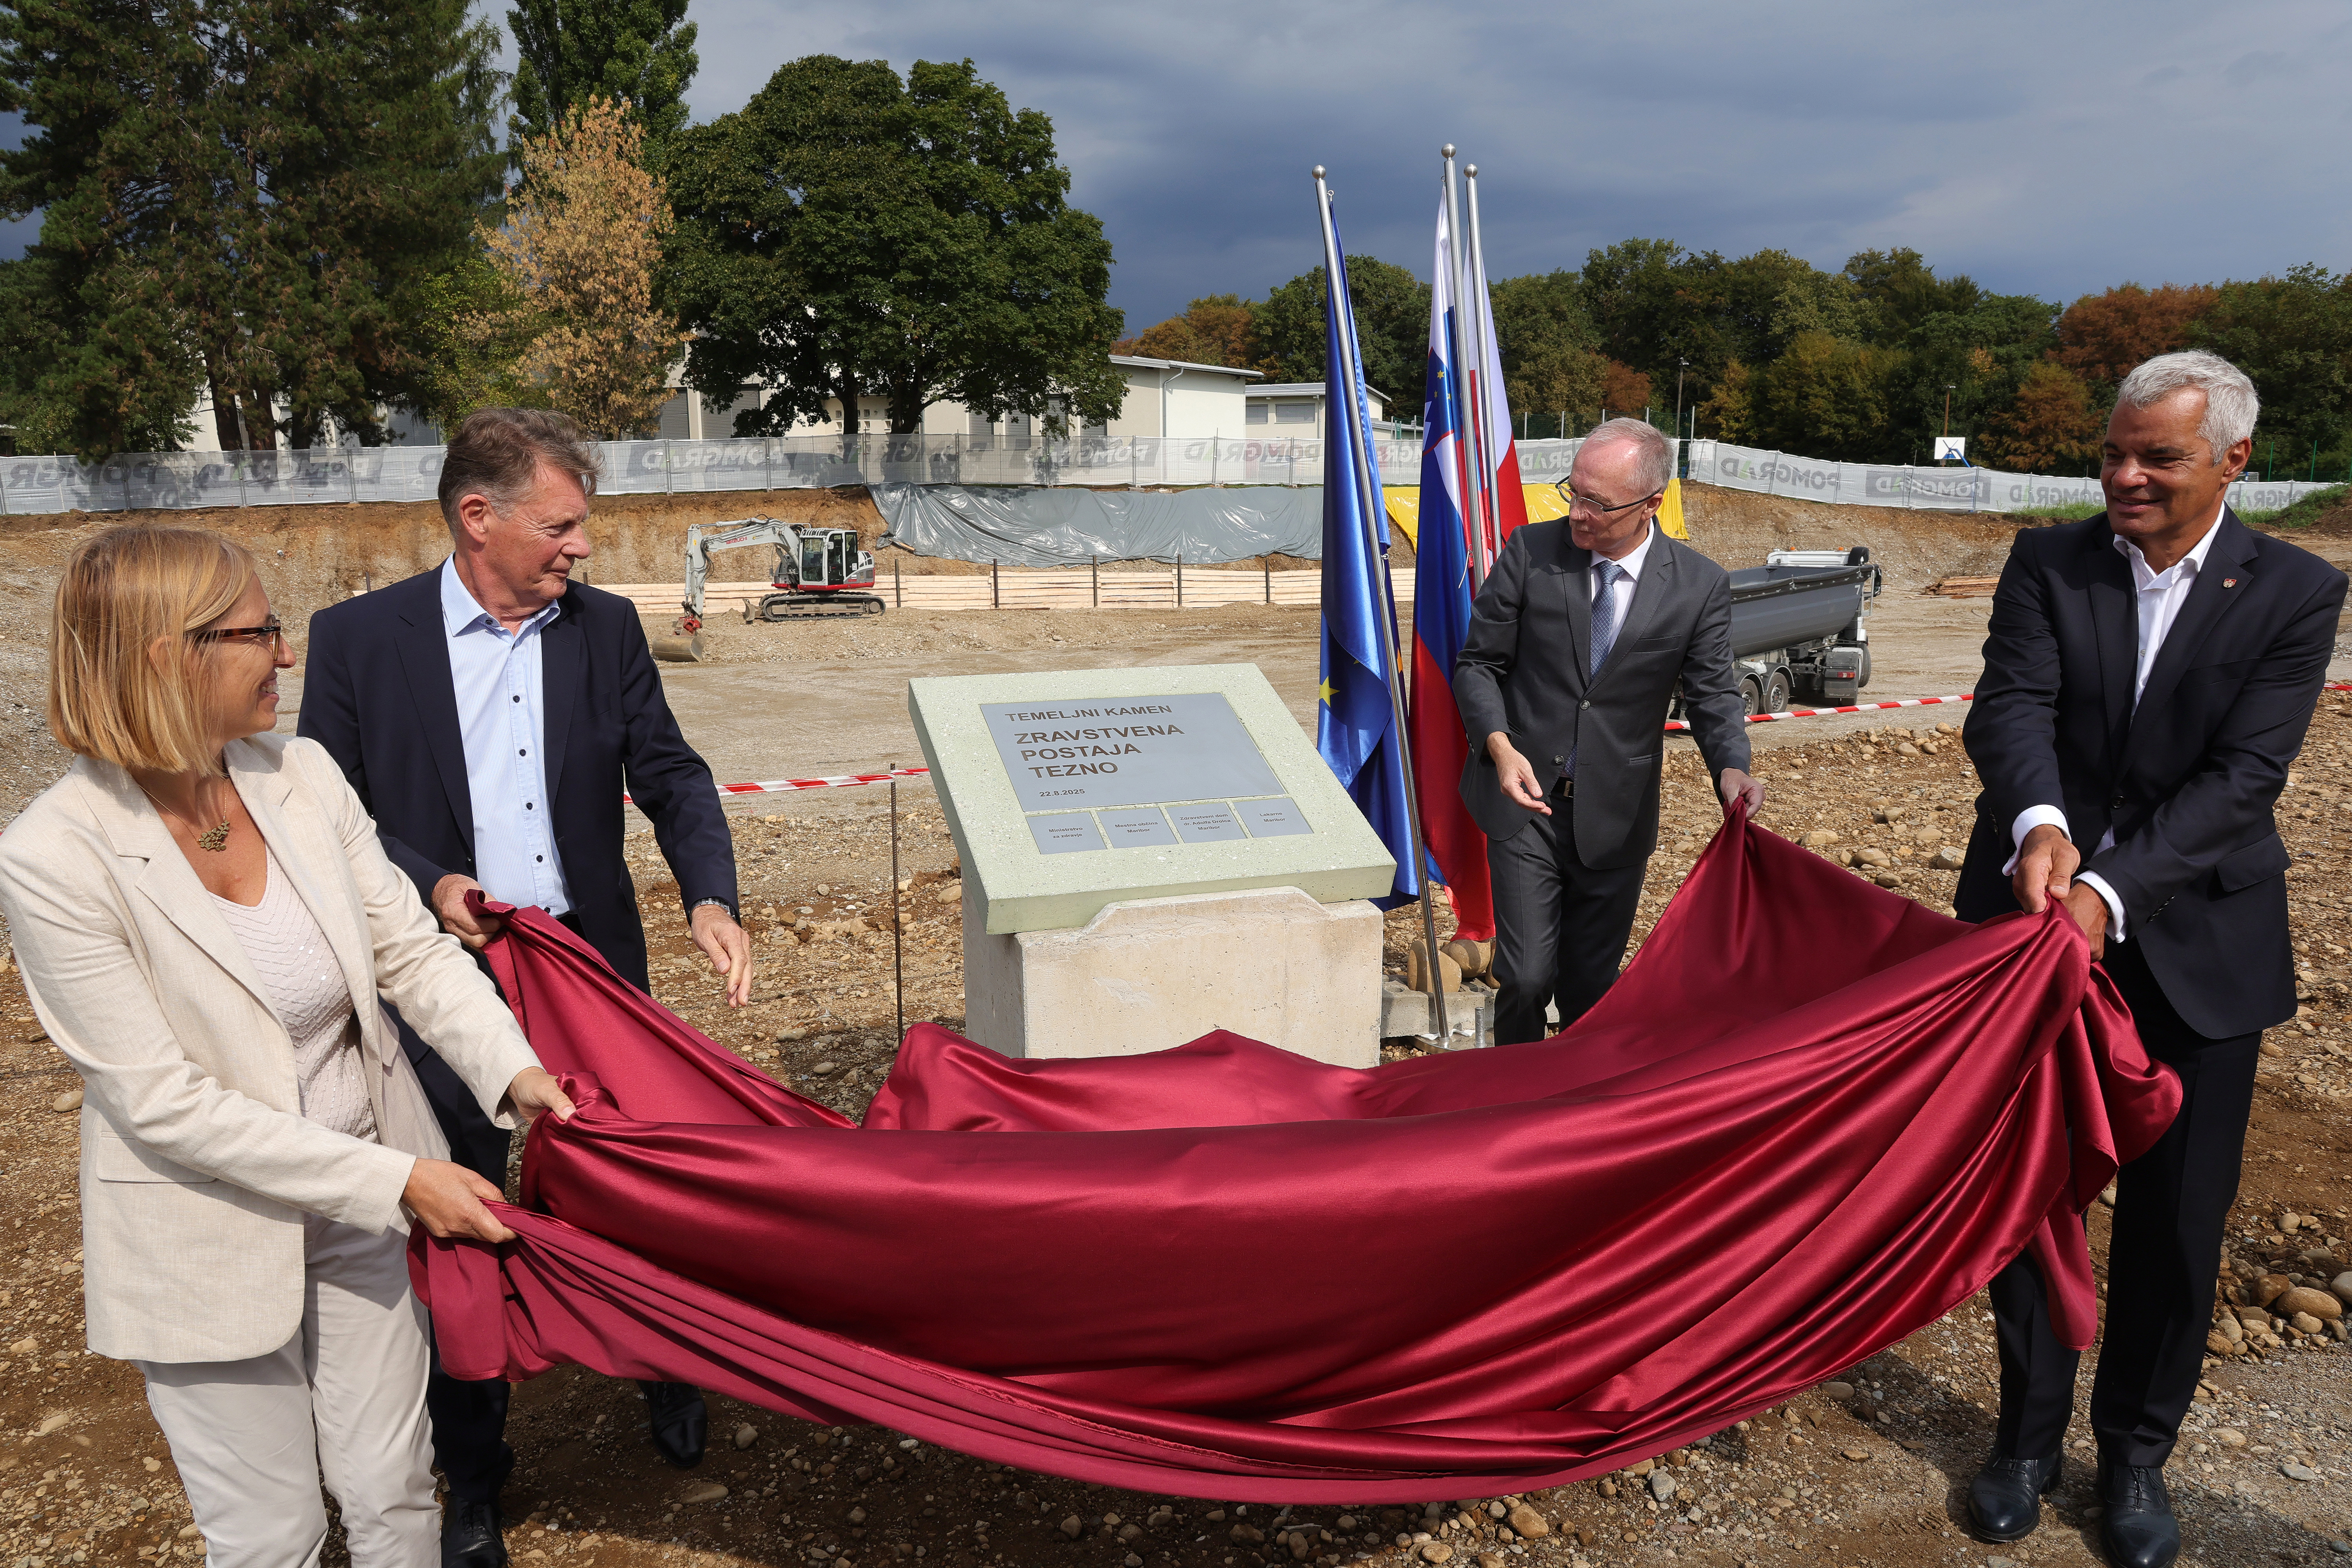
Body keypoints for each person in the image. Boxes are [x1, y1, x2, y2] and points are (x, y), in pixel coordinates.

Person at [0, 527, 575, 1568]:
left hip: (364, 1211)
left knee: (396, 1496)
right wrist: (403, 1178)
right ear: (164, 655)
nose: (287, 653)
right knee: (274, 1536)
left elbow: (411, 951)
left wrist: (513, 1068)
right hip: (209, 1237)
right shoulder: (53, 857)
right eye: (259, 631)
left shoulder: (298, 775)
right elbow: (165, 1103)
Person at [299, 409, 750, 1566]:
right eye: (563, 525)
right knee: (467, 1223)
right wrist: (427, 884)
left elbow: (671, 770)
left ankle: (660, 1373)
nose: (583, 549)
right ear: (477, 518)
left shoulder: (604, 633)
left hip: (589, 974)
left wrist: (710, 893)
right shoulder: (357, 641)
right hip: (436, 980)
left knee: (623, 1191)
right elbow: (323, 814)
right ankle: (477, 1474)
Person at [1955, 350, 2345, 1568]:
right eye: (2114, 451)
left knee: (2179, 1225)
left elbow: (2245, 781)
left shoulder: (2293, 590)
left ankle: (2134, 1458)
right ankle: (2024, 1442)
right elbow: (2007, 708)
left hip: (2197, 944)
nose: (2124, 475)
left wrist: (2112, 892)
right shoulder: (2045, 561)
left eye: (2156, 457)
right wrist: (2042, 826)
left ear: (2235, 461)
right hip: (2030, 929)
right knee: (2027, 1199)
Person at [1453, 417, 1762, 1042]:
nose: (1579, 512)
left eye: (1598, 502)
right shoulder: (1530, 553)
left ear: (1651, 504)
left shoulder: (1699, 585)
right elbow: (1477, 665)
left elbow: (1712, 693)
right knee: (1529, 976)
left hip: (1616, 817)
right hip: (1525, 802)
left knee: (1590, 988)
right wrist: (1500, 746)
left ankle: (1578, 1114)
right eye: (1574, 491)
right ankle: (1511, 1103)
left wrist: (1732, 766)